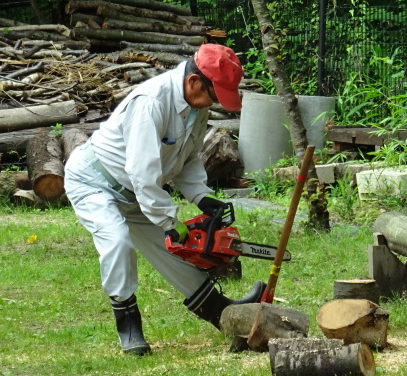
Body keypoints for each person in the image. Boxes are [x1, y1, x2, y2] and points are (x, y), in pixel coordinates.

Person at [64, 43, 265, 355]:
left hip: (135, 191)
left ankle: (223, 313)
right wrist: (169, 220)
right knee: (118, 242)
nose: (214, 103)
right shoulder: (151, 103)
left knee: (176, 252)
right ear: (194, 82)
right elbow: (142, 171)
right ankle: (127, 323)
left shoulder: (195, 109)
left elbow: (186, 159)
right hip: (94, 181)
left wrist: (201, 196)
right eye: (214, 95)